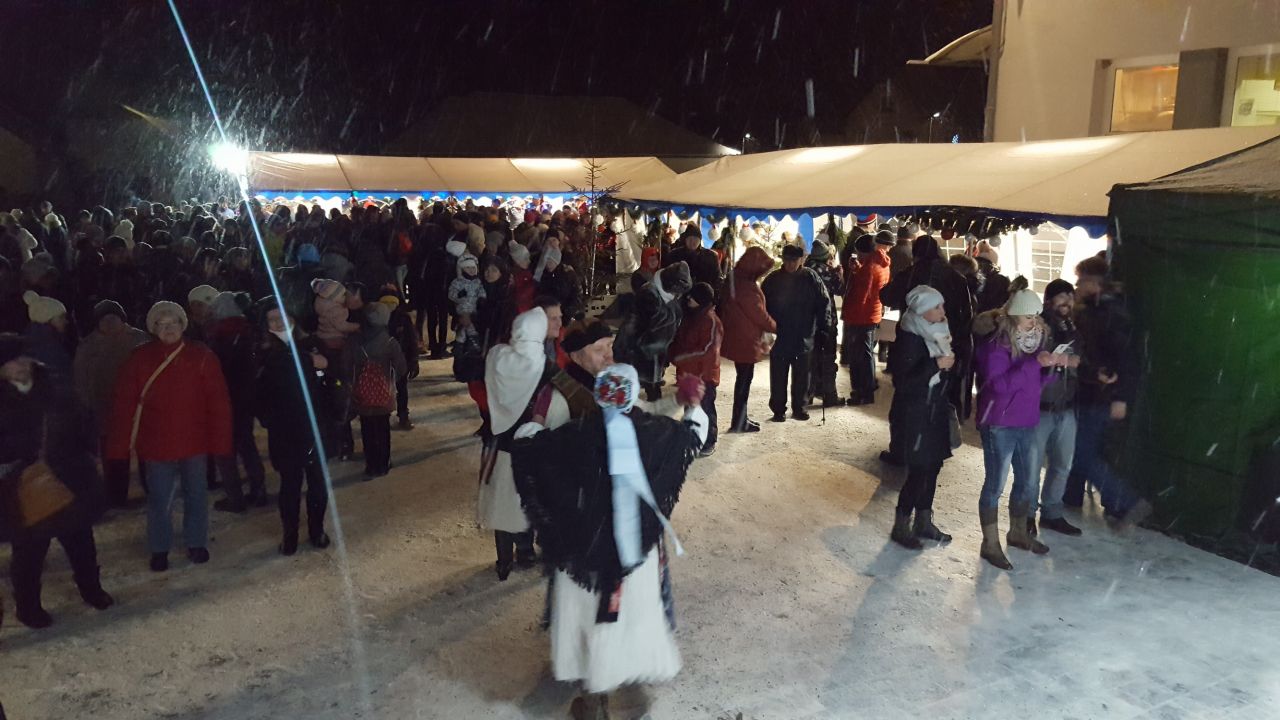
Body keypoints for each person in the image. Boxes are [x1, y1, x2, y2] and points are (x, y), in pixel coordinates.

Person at [510, 364, 708, 719]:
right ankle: (622, 683)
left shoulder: (573, 437)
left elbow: (527, 446)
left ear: (599, 395)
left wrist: (536, 420)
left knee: (585, 618)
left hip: (582, 554)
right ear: (632, 396)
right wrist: (692, 404)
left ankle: (592, 696)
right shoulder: (657, 434)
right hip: (633, 557)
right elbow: (693, 435)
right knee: (627, 616)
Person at [107, 301, 232, 572]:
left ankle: (196, 542)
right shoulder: (140, 359)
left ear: (182, 325)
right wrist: (119, 446)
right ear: (153, 329)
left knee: (196, 494)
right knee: (159, 498)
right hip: (156, 444)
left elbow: (218, 403)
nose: (169, 328)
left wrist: (221, 442)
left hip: (194, 441)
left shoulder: (201, 356)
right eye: (162, 324)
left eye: (173, 322)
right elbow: (125, 404)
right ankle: (159, 547)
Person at [1, 334, 114, 629]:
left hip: (69, 478)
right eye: (11, 362)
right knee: (28, 554)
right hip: (25, 486)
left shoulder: (56, 386)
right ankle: (28, 608)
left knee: (81, 543)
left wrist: (89, 453)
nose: (20, 366)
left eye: (22, 359)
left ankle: (92, 590)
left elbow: (85, 421)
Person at [973, 287, 1068, 570]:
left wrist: (1051, 369)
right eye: (1028, 316)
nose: (1034, 322)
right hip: (999, 423)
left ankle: (1017, 532)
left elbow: (1032, 384)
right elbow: (999, 386)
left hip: (1027, 420)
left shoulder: (1032, 343)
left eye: (1036, 316)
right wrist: (1033, 364)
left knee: (1027, 481)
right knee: (995, 484)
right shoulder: (996, 346)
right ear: (1013, 316)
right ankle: (990, 543)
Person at [1066, 256, 1150, 527]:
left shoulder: (1108, 315)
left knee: (1082, 452)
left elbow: (1125, 359)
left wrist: (1120, 396)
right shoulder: (1103, 311)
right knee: (1084, 449)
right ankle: (1074, 497)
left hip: (1098, 394)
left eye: (1081, 281)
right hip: (1094, 391)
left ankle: (1126, 501)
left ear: (1094, 283)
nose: (1077, 286)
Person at [481, 307, 551, 580]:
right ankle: (525, 550)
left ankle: (503, 560)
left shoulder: (497, 356)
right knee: (528, 497)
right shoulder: (542, 363)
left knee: (501, 500)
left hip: (499, 441)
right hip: (529, 442)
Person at [255, 302, 332, 555]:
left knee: (317, 483)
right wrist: (309, 361)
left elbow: (332, 377)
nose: (278, 322)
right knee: (290, 485)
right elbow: (260, 392)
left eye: (282, 316)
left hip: (315, 427)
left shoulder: (312, 344)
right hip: (285, 432)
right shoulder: (263, 352)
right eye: (272, 319)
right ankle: (290, 535)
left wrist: (325, 368)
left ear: (293, 318)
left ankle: (317, 530)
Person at [885, 287, 956, 549]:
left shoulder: (938, 333)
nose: (943, 311)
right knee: (919, 470)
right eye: (937, 307)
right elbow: (904, 382)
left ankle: (924, 520)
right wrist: (936, 365)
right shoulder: (909, 338)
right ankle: (902, 524)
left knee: (934, 466)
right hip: (915, 414)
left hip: (935, 409)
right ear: (922, 310)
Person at [72, 300, 150, 508]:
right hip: (106, 409)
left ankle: (153, 489)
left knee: (147, 451)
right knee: (114, 456)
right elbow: (80, 379)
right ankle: (116, 496)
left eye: (113, 318)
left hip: (138, 407)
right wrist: (88, 404)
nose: (109, 322)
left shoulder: (139, 339)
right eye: (104, 319)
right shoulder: (88, 346)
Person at [206, 292, 267, 513]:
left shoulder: (219, 335)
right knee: (247, 445)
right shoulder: (248, 331)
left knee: (224, 450)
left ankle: (235, 498)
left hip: (225, 399)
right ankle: (259, 490)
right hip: (246, 398)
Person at [761, 244, 831, 422]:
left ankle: (800, 408)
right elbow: (761, 305)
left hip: (804, 334)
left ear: (801, 260)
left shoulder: (811, 278)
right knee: (778, 375)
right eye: (787, 260)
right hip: (780, 335)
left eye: (794, 260)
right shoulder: (773, 279)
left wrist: (824, 327)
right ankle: (778, 410)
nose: (790, 264)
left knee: (802, 375)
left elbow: (823, 303)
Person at [1035, 279, 1083, 536]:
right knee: (1031, 466)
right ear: (1049, 300)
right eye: (1062, 297)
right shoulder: (1038, 327)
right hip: (1039, 406)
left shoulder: (1074, 329)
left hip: (1066, 406)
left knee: (1063, 464)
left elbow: (1083, 360)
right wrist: (1047, 360)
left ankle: (1052, 512)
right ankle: (1025, 515)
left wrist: (1075, 361)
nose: (1067, 302)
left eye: (1070, 297)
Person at [613, 262, 692, 401]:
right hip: (640, 348)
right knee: (638, 385)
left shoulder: (668, 294)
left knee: (650, 385)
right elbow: (642, 324)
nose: (678, 294)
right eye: (676, 290)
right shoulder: (648, 294)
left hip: (654, 349)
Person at [720, 246, 777, 433]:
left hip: (738, 335)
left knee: (742, 380)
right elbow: (758, 314)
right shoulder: (746, 286)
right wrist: (776, 327)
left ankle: (741, 418)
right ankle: (739, 421)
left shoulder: (736, 278)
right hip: (745, 339)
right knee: (744, 381)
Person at [350, 301, 406, 480]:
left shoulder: (356, 341)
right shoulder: (390, 343)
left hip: (362, 393)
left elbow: (348, 365)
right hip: (383, 393)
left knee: (367, 429)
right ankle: (383, 463)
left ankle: (371, 464)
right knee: (382, 429)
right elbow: (401, 368)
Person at [669, 282, 723, 456]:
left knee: (705, 409)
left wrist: (682, 359)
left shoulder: (711, 321)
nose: (689, 299)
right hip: (688, 374)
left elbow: (707, 351)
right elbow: (679, 340)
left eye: (693, 297)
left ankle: (708, 441)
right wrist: (671, 352)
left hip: (704, 376)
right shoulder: (690, 316)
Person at [842, 234, 891, 406]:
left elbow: (860, 297)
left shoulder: (869, 269)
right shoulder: (881, 262)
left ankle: (863, 392)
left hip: (861, 317)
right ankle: (868, 387)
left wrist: (848, 315)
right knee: (866, 353)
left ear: (863, 252)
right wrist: (857, 270)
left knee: (860, 356)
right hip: (873, 313)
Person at [804, 240, 843, 408]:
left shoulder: (804, 271)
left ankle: (807, 394)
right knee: (828, 358)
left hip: (808, 321)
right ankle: (829, 395)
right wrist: (839, 274)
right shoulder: (829, 272)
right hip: (827, 320)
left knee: (810, 359)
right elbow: (840, 290)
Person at [665, 227, 721, 292]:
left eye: (695, 239)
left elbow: (717, 278)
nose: (692, 242)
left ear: (700, 240)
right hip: (679, 292)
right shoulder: (674, 255)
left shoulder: (711, 256)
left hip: (703, 293)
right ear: (685, 239)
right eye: (690, 238)